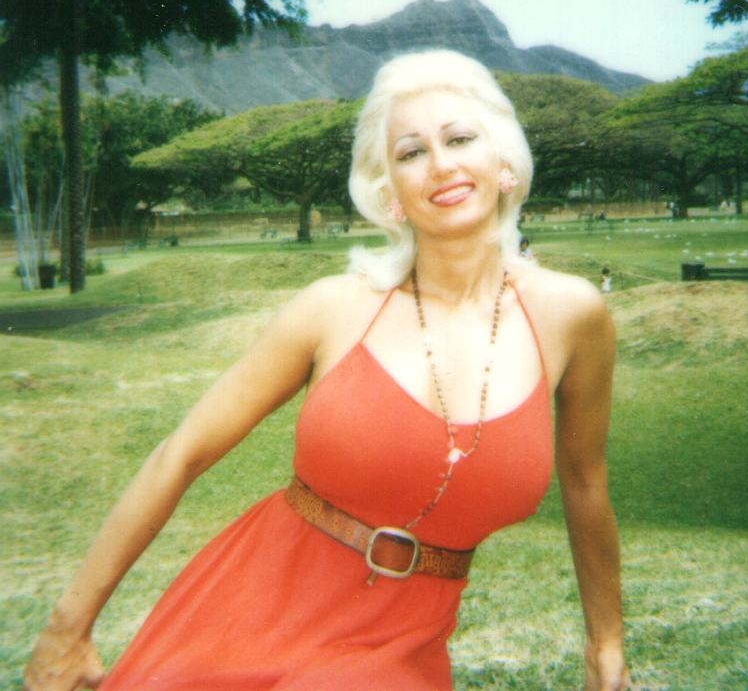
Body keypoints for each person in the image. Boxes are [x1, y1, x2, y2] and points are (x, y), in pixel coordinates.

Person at [24, 51, 635, 691]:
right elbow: (181, 454)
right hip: (245, 619)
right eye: (411, 152)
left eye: (460, 139)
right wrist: (68, 627)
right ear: (390, 194)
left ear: (505, 162)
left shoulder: (572, 316)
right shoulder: (332, 309)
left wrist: (606, 644)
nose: (441, 164)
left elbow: (585, 485)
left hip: (398, 651)